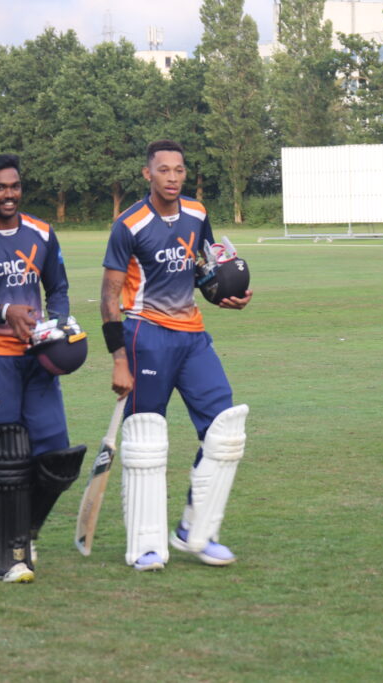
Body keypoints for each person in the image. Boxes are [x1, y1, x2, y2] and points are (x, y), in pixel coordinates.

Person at [100, 139, 253, 572]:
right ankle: (146, 545)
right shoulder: (128, 225)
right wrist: (118, 358)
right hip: (145, 336)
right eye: (163, 170)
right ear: (147, 174)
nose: (172, 177)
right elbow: (109, 298)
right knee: (147, 439)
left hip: (192, 337)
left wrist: (225, 296)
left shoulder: (198, 213)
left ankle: (196, 531)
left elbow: (202, 269)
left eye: (179, 170)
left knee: (224, 431)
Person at [0, 153, 86, 584]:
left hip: (36, 356)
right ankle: (9, 556)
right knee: (7, 456)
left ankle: (24, 530)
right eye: (0, 188)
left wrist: (58, 325)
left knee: (57, 459)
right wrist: (6, 310)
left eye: (15, 186)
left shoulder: (42, 232)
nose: (9, 194)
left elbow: (57, 288)